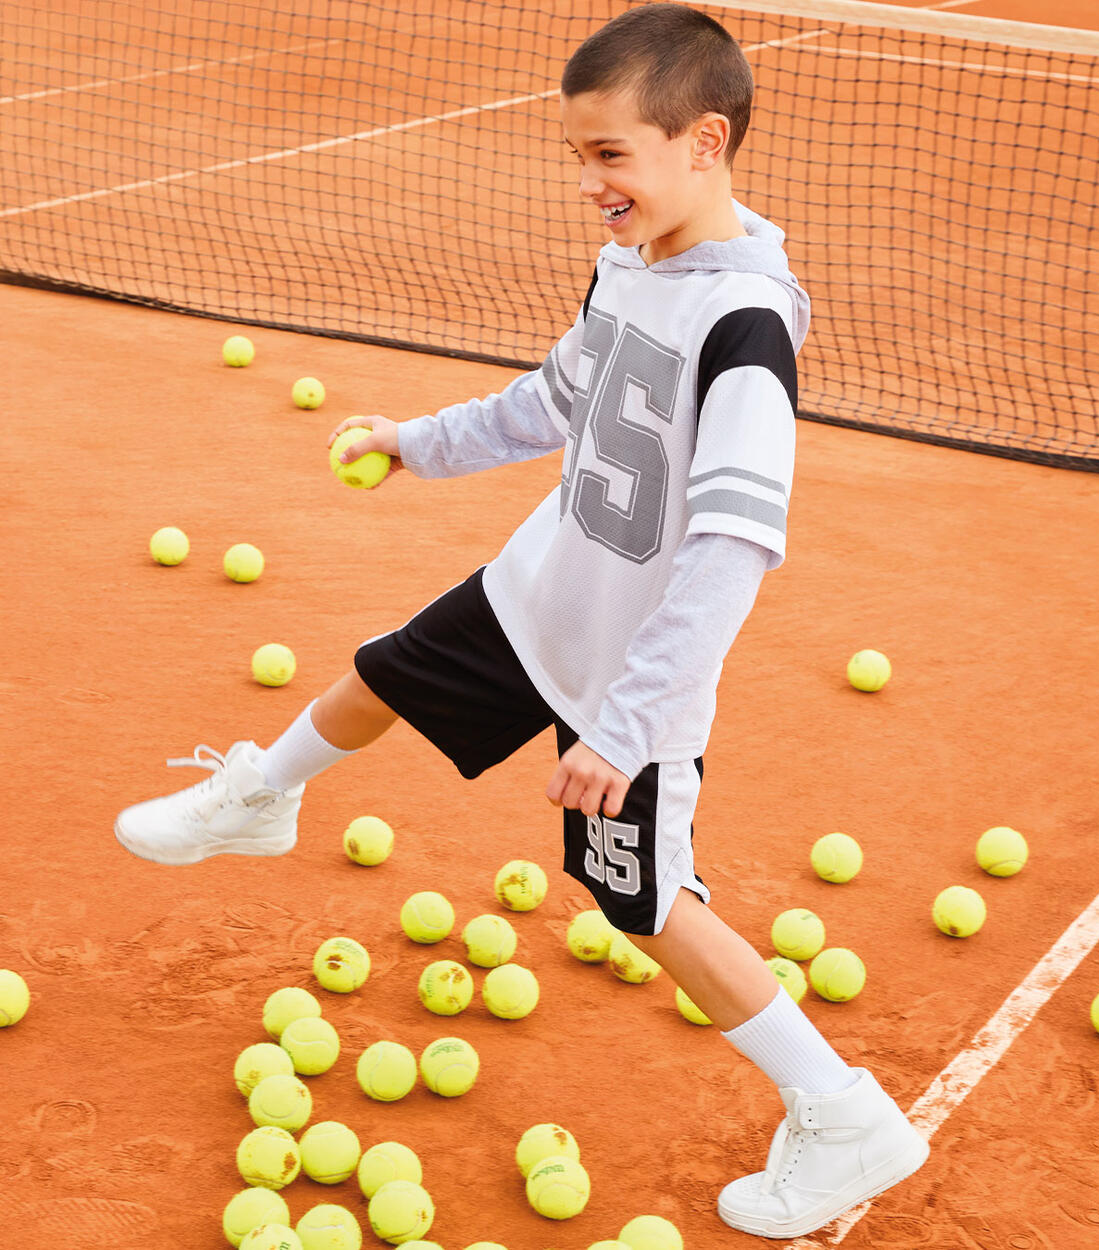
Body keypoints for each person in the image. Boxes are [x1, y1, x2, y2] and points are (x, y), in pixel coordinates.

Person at [115, 4, 927, 1238]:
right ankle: (260, 797)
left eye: (611, 155)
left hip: (630, 668)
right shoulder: (633, 260)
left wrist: (629, 721)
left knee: (637, 899)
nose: (590, 182)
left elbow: (732, 546)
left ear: (703, 142)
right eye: (577, 156)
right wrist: (417, 442)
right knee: (384, 672)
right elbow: (560, 393)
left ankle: (841, 1109)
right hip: (540, 589)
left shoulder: (745, 329)